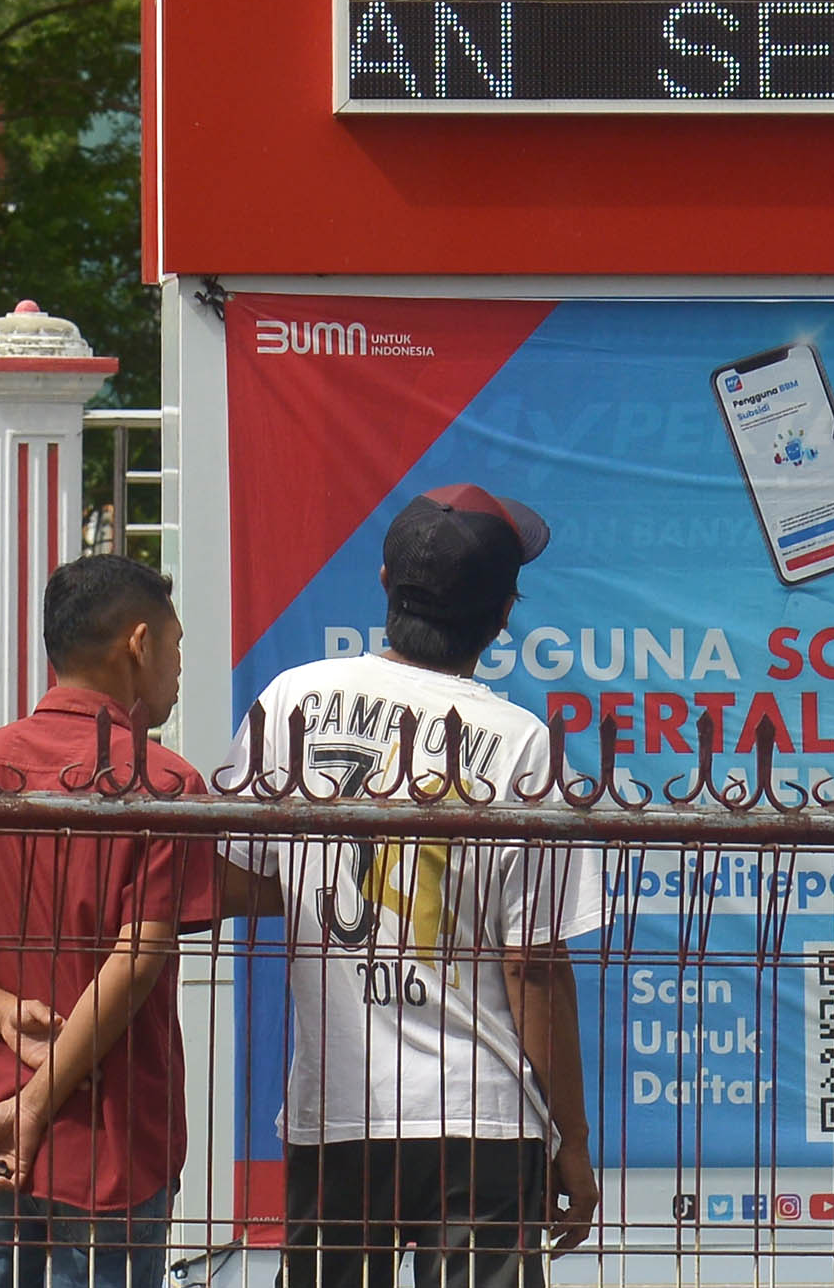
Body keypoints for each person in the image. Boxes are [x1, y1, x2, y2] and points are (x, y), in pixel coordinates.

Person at [228, 485, 599, 1288]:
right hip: (483, 1121)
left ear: (387, 581)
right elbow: (532, 966)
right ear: (503, 617)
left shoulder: (293, 700)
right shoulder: (518, 743)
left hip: (338, 1107)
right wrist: (570, 1138)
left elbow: (240, 878)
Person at [0, 555, 223, 1288]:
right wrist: (39, 1101)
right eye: (177, 648)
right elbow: (136, 960)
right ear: (140, 645)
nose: (179, 671)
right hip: (114, 1145)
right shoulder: (161, 784)